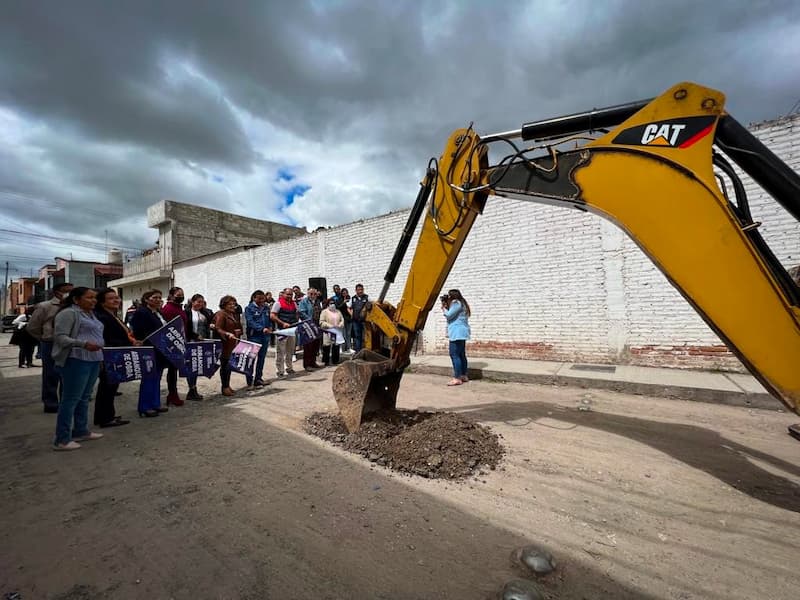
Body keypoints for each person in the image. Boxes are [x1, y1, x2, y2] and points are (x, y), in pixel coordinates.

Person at [51, 287, 105, 451]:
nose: (93, 300)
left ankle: (81, 430)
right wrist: (83, 344)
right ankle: (62, 439)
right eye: (89, 297)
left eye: (95, 297)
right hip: (76, 360)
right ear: (76, 299)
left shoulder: (91, 314)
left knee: (84, 397)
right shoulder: (69, 313)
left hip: (94, 359)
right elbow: (60, 338)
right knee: (70, 399)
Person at [27, 282, 74, 412]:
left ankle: (66, 402)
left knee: (68, 375)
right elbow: (32, 327)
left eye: (72, 291)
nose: (69, 293)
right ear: (57, 292)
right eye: (66, 291)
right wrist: (43, 338)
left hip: (69, 343)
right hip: (51, 343)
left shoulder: (73, 307)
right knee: (51, 375)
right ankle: (51, 404)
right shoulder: (45, 306)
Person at [93, 288, 135, 428]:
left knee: (109, 388)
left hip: (116, 353)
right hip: (109, 355)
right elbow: (105, 338)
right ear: (102, 302)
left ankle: (104, 416)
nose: (116, 300)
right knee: (107, 387)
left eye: (117, 297)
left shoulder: (112, 315)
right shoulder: (101, 316)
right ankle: (106, 418)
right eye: (111, 298)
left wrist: (131, 342)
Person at [130, 290, 170, 418]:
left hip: (160, 350)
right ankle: (145, 406)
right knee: (148, 378)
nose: (158, 300)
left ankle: (155, 403)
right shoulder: (141, 312)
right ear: (147, 299)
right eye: (155, 297)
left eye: (159, 297)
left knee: (157, 378)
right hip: (149, 349)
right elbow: (138, 331)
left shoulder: (158, 313)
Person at [160, 286, 186, 406]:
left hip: (180, 341)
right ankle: (172, 394)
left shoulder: (179, 308)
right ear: (171, 295)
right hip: (171, 343)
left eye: (182, 294)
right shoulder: (168, 309)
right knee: (172, 371)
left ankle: (173, 394)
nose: (181, 296)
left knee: (174, 370)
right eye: (178, 294)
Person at [184, 293, 213, 401]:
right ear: (193, 302)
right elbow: (185, 328)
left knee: (198, 365)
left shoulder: (205, 312)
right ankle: (191, 389)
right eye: (198, 301)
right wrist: (195, 336)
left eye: (202, 302)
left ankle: (193, 389)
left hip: (202, 342)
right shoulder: (187, 313)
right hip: (191, 342)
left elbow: (210, 322)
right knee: (191, 366)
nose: (200, 304)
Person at [213, 295, 243, 396]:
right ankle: (224, 387)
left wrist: (239, 331)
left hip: (232, 344)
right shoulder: (221, 314)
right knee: (225, 366)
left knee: (229, 366)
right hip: (224, 343)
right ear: (224, 305)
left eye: (234, 304)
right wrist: (227, 333)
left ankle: (227, 385)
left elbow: (238, 326)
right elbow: (218, 328)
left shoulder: (233, 314)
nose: (232, 306)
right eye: (230, 304)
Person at [442, 289, 471, 386]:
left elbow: (449, 315)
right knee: (461, 354)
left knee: (454, 354)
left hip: (456, 332)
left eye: (449, 296)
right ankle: (463, 375)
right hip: (462, 332)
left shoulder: (456, 302)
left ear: (452, 296)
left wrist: (444, 308)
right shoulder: (462, 303)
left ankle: (457, 378)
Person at [244, 290, 272, 387]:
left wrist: (270, 327)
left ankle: (258, 379)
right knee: (251, 359)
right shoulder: (249, 309)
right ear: (254, 298)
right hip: (254, 337)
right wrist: (261, 329)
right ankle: (249, 381)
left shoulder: (266, 308)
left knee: (261, 359)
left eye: (263, 298)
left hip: (265, 337)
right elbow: (250, 322)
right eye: (259, 298)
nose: (261, 300)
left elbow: (269, 320)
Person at [271, 287, 299, 377]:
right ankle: (279, 371)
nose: (289, 296)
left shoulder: (294, 303)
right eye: (287, 294)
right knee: (280, 351)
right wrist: (282, 323)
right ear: (283, 294)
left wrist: (296, 322)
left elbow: (297, 313)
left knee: (290, 350)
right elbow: (272, 316)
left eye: (291, 294)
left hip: (292, 330)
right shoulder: (278, 303)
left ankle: (289, 368)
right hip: (281, 330)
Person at [298, 288, 322, 371]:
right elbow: (301, 312)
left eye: (314, 294)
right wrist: (310, 321)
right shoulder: (303, 302)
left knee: (315, 345)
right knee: (308, 346)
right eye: (311, 294)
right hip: (308, 326)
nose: (313, 295)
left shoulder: (318, 301)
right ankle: (307, 364)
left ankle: (313, 362)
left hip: (317, 325)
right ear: (308, 294)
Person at [320, 299, 345, 366]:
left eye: (333, 303)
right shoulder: (324, 312)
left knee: (336, 346)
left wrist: (341, 324)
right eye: (331, 303)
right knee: (327, 346)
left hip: (337, 331)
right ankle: (326, 361)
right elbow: (321, 322)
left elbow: (342, 319)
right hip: (328, 331)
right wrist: (330, 326)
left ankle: (335, 360)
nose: (332, 304)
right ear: (328, 304)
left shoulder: (338, 311)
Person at [350, 284, 369, 352]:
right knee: (357, 336)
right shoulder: (353, 298)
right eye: (359, 290)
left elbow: (371, 306)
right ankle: (358, 351)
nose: (360, 291)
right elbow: (349, 308)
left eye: (362, 289)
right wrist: (351, 314)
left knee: (366, 336)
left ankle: (366, 351)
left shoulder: (367, 297)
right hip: (355, 321)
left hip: (365, 321)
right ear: (356, 290)